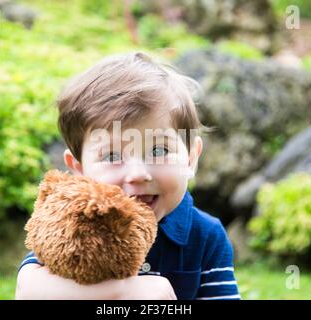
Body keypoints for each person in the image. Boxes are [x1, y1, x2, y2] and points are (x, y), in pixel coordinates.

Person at [15, 52, 240, 300]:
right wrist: (125, 292)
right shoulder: (75, 224)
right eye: (112, 156)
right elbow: (28, 291)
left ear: (190, 159)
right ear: (79, 169)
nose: (138, 174)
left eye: (158, 150)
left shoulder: (205, 235)